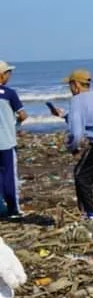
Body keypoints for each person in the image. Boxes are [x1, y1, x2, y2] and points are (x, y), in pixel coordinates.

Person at [47, 69, 93, 219]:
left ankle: (90, 214)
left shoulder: (76, 100)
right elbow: (90, 118)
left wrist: (72, 147)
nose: (70, 89)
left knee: (81, 176)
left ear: (76, 85)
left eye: (70, 85)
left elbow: (76, 133)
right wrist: (64, 115)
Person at [0, 61, 27, 219]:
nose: (10, 75)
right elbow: (23, 115)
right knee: (9, 175)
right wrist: (15, 123)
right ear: (2, 75)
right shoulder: (9, 93)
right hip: (7, 141)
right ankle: (13, 210)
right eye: (8, 72)